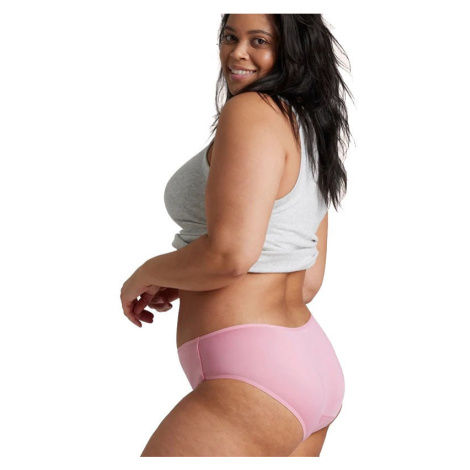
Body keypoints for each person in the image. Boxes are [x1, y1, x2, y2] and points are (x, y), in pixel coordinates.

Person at [120, 13, 353, 457]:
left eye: (258, 40)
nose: (237, 53)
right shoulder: (310, 126)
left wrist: (147, 271)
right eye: (230, 36)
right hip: (309, 363)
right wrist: (187, 275)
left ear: (292, 49)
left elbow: (229, 256)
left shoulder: (250, 112)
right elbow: (306, 280)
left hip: (253, 378)